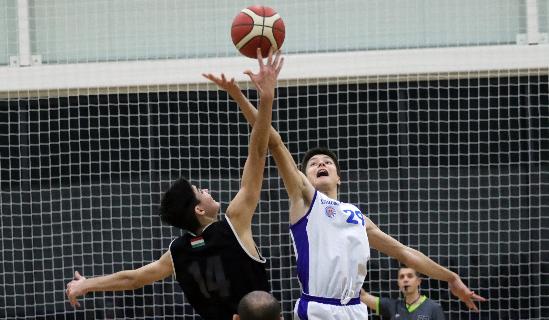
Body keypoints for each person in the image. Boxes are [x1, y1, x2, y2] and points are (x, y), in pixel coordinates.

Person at [203, 69, 486, 319]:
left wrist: (450, 277)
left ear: (339, 176)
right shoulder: (305, 198)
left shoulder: (357, 216)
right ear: (304, 177)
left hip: (355, 309)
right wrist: (252, 97)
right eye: (313, 164)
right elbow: (274, 144)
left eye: (327, 162)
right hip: (317, 308)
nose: (321, 164)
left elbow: (404, 252)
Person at [65, 48, 284, 320]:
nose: (205, 190)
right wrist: (265, 98)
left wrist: (87, 284)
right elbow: (258, 152)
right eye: (199, 192)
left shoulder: (177, 254)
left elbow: (133, 279)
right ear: (199, 210)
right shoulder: (234, 224)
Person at [360, 266, 446, 319]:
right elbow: (363, 296)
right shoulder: (392, 306)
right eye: (401, 277)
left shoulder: (434, 308)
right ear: (398, 283)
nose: (405, 279)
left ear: (419, 281)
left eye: (410, 276)